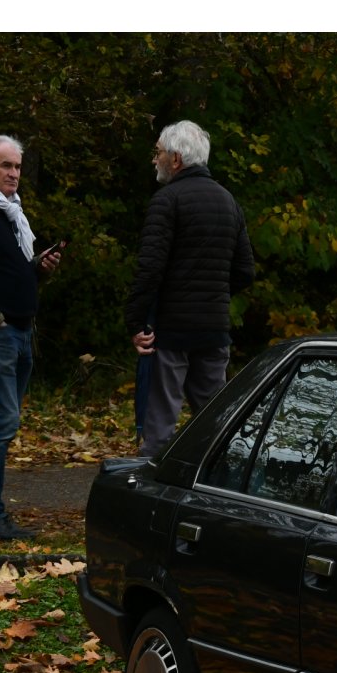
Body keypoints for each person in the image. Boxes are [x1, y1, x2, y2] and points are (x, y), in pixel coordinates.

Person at [125, 120, 254, 458]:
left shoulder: (167, 201)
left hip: (170, 333)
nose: (155, 160)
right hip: (213, 331)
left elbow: (150, 269)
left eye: (159, 153)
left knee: (159, 431)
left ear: (176, 159)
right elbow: (245, 271)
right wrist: (213, 295)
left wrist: (136, 323)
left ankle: (149, 503)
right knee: (216, 428)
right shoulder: (229, 202)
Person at [0, 135, 64, 540]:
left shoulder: (11, 211)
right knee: (0, 422)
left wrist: (39, 270)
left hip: (21, 331)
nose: (14, 174)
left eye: (18, 167)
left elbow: (9, 269)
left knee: (3, 422)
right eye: (6, 166)